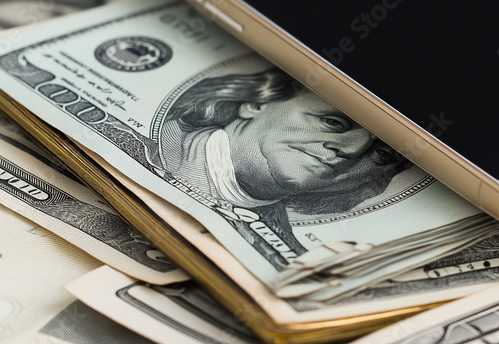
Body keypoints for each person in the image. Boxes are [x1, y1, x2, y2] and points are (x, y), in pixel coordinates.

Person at [156, 67, 411, 255]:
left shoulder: (280, 246)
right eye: (332, 121)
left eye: (382, 155)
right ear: (257, 104)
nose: (353, 149)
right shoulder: (157, 144)